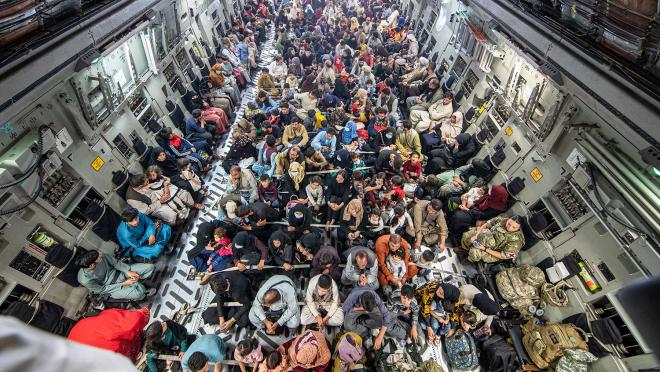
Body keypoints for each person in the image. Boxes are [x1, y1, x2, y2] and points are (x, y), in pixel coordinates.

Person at [76, 250, 155, 301]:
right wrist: (124, 284)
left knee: (150, 267)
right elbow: (102, 290)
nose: (100, 257)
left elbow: (115, 263)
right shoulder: (85, 279)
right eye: (98, 258)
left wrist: (127, 271)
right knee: (139, 293)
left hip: (119, 272)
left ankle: (137, 282)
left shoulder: (100, 255)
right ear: (91, 265)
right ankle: (140, 289)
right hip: (112, 287)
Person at [461, 215, 526, 263]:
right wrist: (476, 235)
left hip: (493, 251)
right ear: (508, 219)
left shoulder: (517, 241)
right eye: (509, 224)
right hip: (485, 236)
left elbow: (502, 255)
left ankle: (469, 259)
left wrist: (484, 249)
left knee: (475, 253)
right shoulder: (501, 220)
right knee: (467, 236)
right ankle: (465, 248)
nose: (509, 228)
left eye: (514, 227)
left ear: (519, 228)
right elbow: (487, 224)